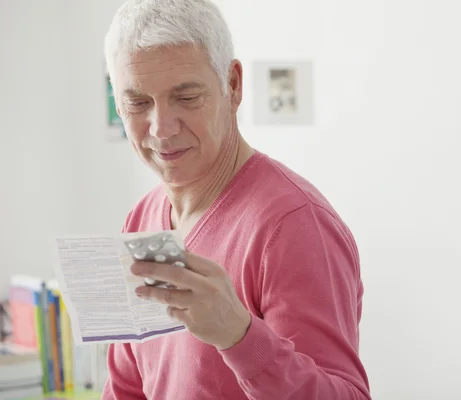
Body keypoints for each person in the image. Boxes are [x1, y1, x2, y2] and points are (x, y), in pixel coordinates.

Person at [101, 0, 371, 399]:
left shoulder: (293, 224)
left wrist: (238, 336)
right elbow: (126, 388)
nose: (161, 128)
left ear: (234, 85)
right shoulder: (140, 219)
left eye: (187, 97)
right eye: (138, 103)